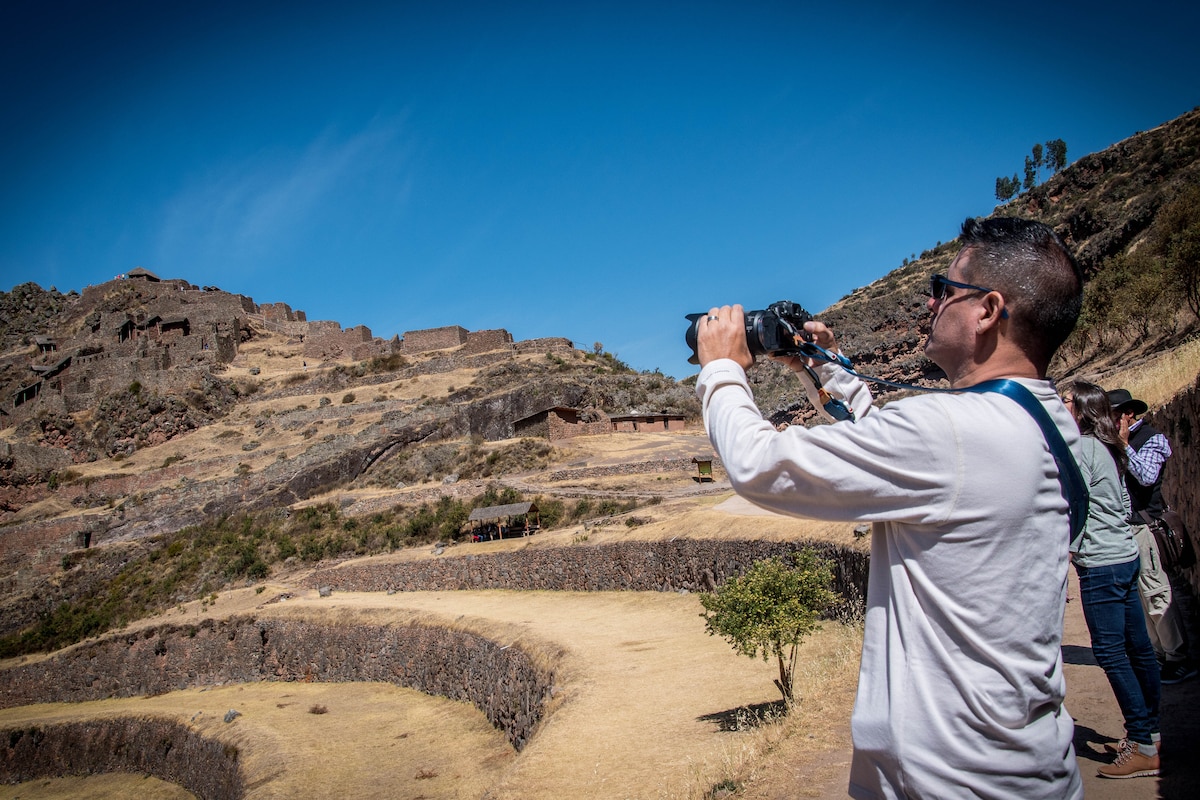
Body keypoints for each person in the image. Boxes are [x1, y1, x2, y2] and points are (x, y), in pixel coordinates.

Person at [695, 217, 1084, 799]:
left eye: (944, 288)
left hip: (947, 779)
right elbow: (899, 450)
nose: (931, 302)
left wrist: (722, 368)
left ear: (987, 310)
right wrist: (821, 364)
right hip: (1024, 766)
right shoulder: (1046, 421)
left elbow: (759, 465)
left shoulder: (952, 433)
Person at [1063, 381, 1161, 778]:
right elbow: (1122, 502)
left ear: (1082, 409)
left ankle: (1139, 743)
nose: (1062, 404)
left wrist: (1071, 546)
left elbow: (1071, 504)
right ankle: (1152, 733)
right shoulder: (1108, 447)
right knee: (1138, 648)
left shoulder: (1082, 449)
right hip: (1123, 555)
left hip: (1101, 563)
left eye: (1067, 399)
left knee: (1109, 652)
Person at [1107, 387, 1198, 684]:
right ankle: (1159, 653)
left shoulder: (1153, 438)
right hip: (1127, 525)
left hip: (1145, 525)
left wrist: (1122, 446)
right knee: (1141, 595)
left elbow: (1147, 476)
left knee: (1156, 591)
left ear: (1128, 413)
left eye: (1114, 413)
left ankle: (1178, 656)